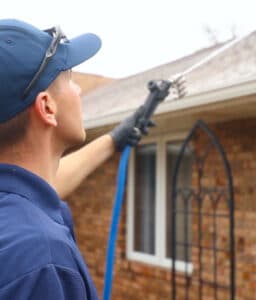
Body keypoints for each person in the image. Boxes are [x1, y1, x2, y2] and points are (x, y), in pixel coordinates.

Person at [0, 19, 152, 299]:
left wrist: (113, 140)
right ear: (47, 106)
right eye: (69, 77)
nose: (79, 90)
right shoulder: (42, 260)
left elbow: (36, 188)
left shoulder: (15, 216)